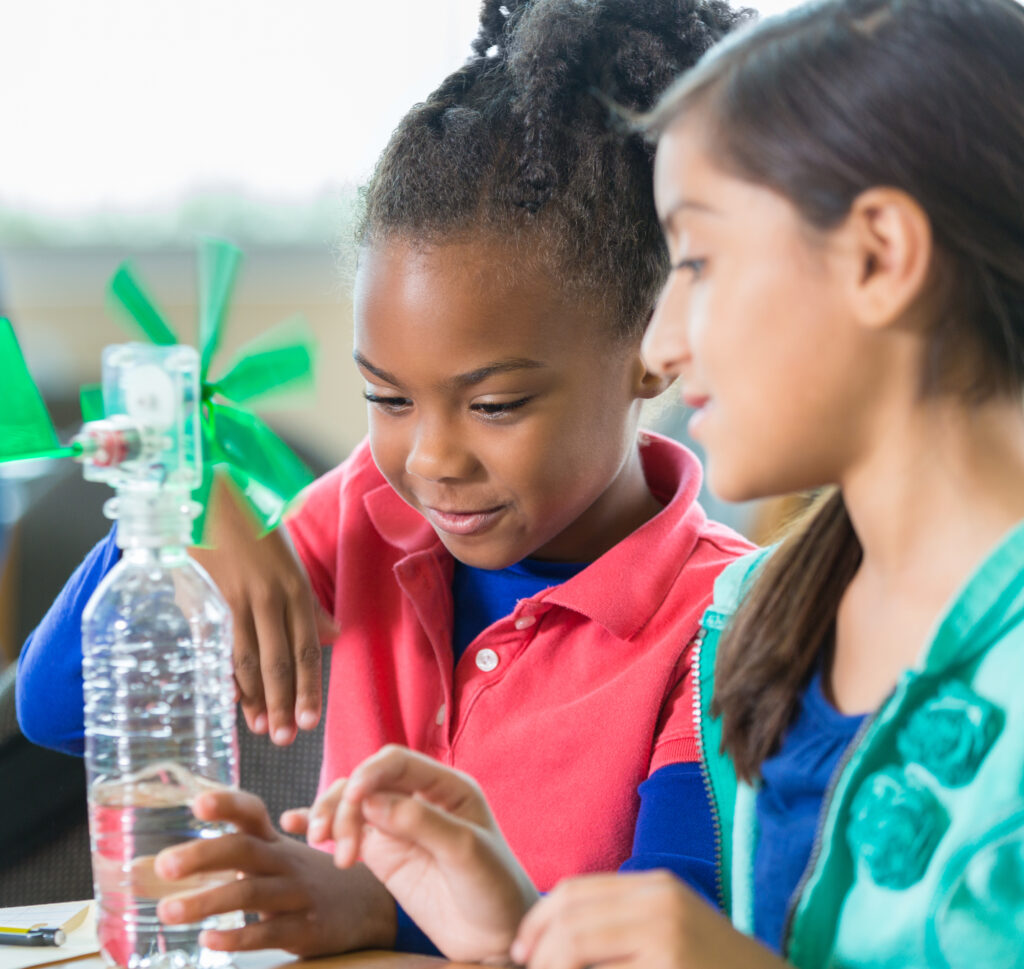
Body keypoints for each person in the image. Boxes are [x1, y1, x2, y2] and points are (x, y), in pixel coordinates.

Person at [15, 0, 754, 957]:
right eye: (388, 397)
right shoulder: (371, 511)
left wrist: (381, 907)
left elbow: (666, 933)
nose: (432, 460)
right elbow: (53, 710)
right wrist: (173, 524)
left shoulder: (721, 621)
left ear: (653, 347)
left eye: (493, 406)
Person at [294, 0, 1024, 966]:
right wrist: (516, 933)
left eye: (699, 261)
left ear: (880, 256)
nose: (665, 338)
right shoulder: (757, 620)